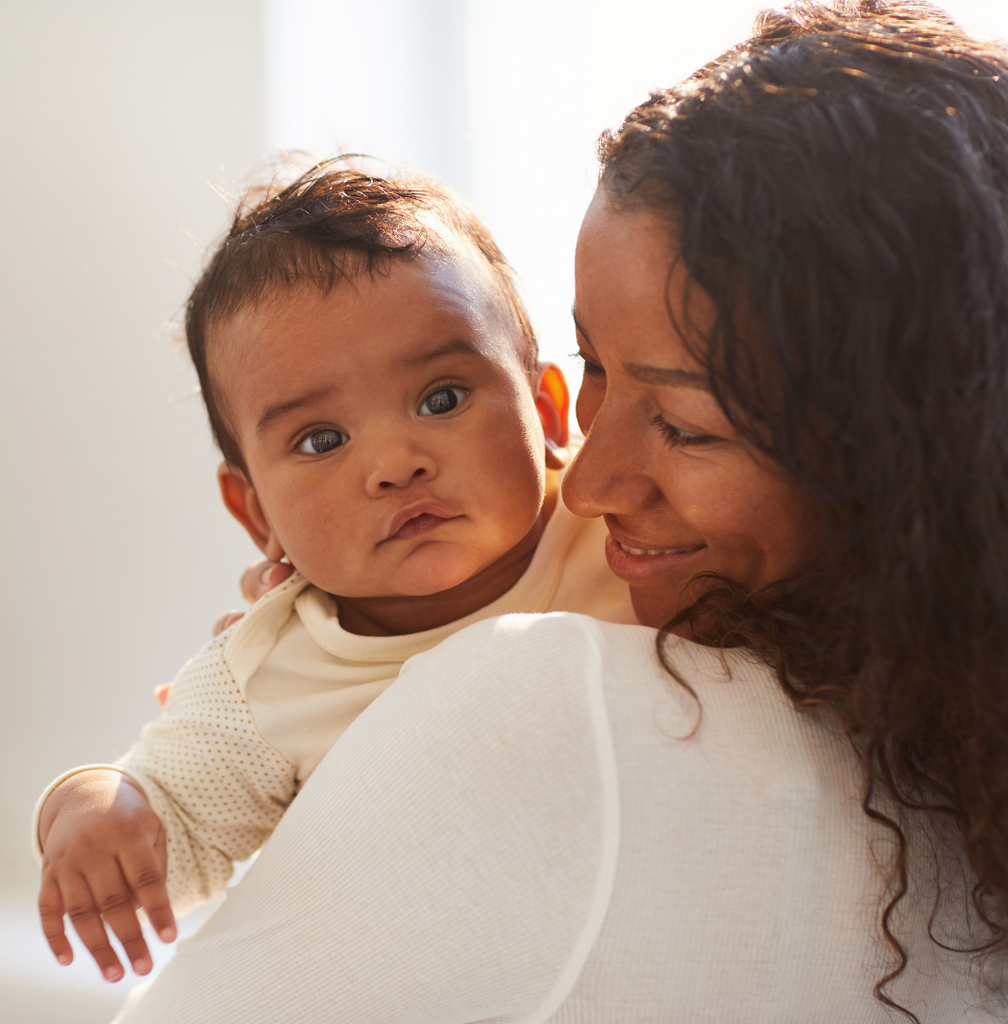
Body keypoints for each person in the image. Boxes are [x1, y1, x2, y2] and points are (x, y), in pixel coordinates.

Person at [89, 1, 1008, 1019]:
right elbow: (169, 809)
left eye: (686, 424)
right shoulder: (963, 749)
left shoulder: (537, 692)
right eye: (594, 370)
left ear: (904, 454)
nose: (580, 482)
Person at [33, 163, 638, 982]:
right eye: (321, 440)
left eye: (442, 398)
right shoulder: (269, 669)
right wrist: (95, 806)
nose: (394, 463)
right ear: (256, 515)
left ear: (548, 411)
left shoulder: (621, 531)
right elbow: (177, 823)